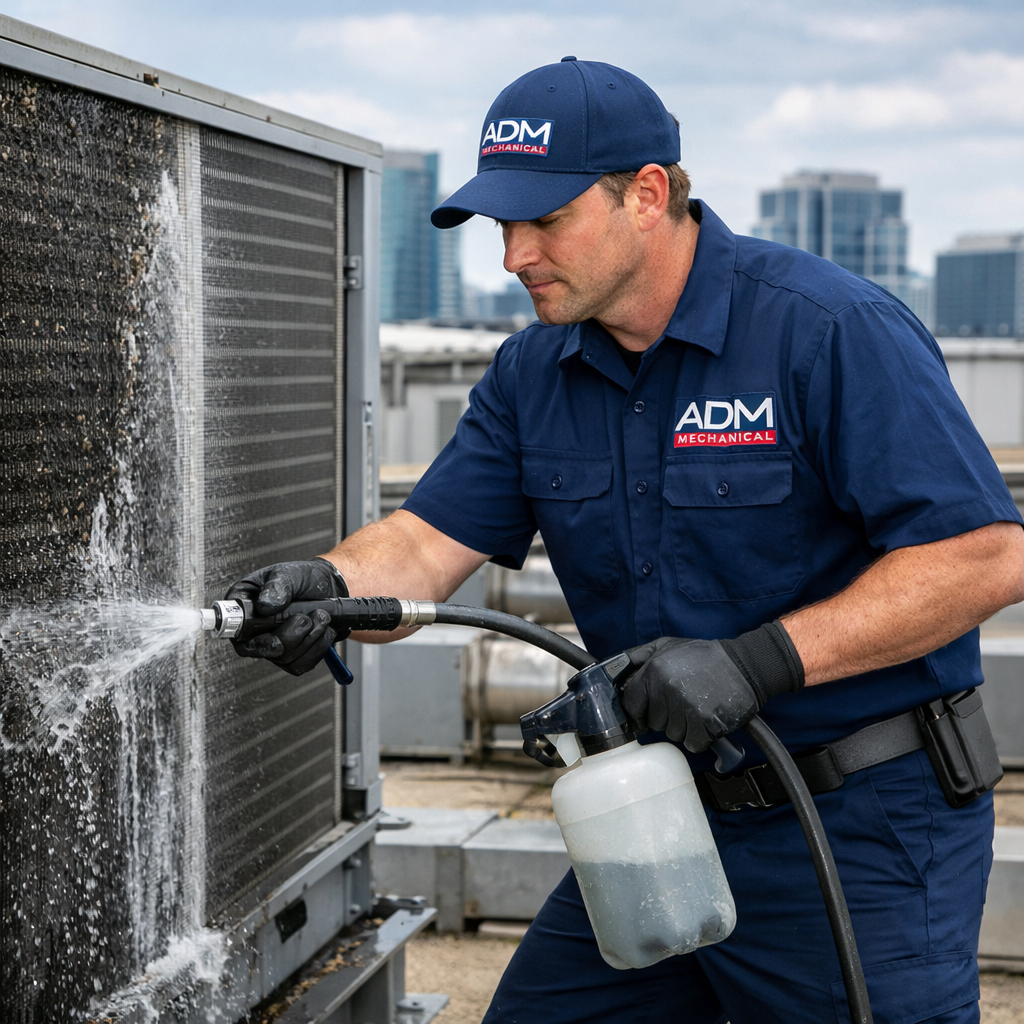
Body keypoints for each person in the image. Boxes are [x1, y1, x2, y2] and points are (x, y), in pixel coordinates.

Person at [226, 58, 1024, 1024]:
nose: (514, 256)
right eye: (499, 227)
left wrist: (759, 663)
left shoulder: (829, 331)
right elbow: (426, 544)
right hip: (659, 813)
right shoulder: (534, 371)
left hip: (857, 827)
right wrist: (331, 585)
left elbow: (985, 554)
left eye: (545, 221)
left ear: (648, 195)